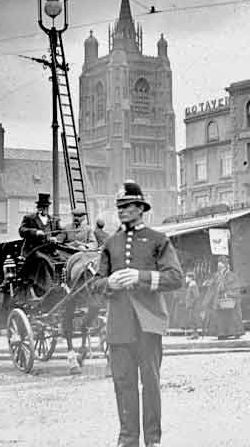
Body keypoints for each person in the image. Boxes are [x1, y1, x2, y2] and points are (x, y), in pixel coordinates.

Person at [92, 180, 183, 447]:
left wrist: (140, 277)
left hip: (148, 324)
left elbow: (175, 277)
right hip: (119, 326)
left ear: (141, 208)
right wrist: (108, 283)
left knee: (151, 384)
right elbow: (96, 284)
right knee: (123, 383)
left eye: (128, 205)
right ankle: (127, 439)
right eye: (119, 206)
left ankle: (153, 440)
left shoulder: (158, 240)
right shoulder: (110, 243)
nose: (122, 210)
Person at [202, 256, 244, 340]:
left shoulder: (232, 275)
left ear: (225, 266)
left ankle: (235, 332)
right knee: (220, 317)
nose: (220, 268)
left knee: (232, 316)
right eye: (219, 266)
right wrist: (208, 283)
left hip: (230, 300)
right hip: (219, 300)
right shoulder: (216, 275)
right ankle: (221, 333)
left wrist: (228, 293)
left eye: (221, 265)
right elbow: (213, 287)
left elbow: (235, 288)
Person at [184, 272, 201, 339]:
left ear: (190, 278)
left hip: (193, 306)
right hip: (192, 306)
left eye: (187, 277)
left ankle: (195, 335)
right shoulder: (191, 285)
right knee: (192, 319)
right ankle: (194, 334)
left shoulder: (193, 285)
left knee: (193, 319)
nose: (186, 278)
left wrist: (191, 304)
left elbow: (196, 296)